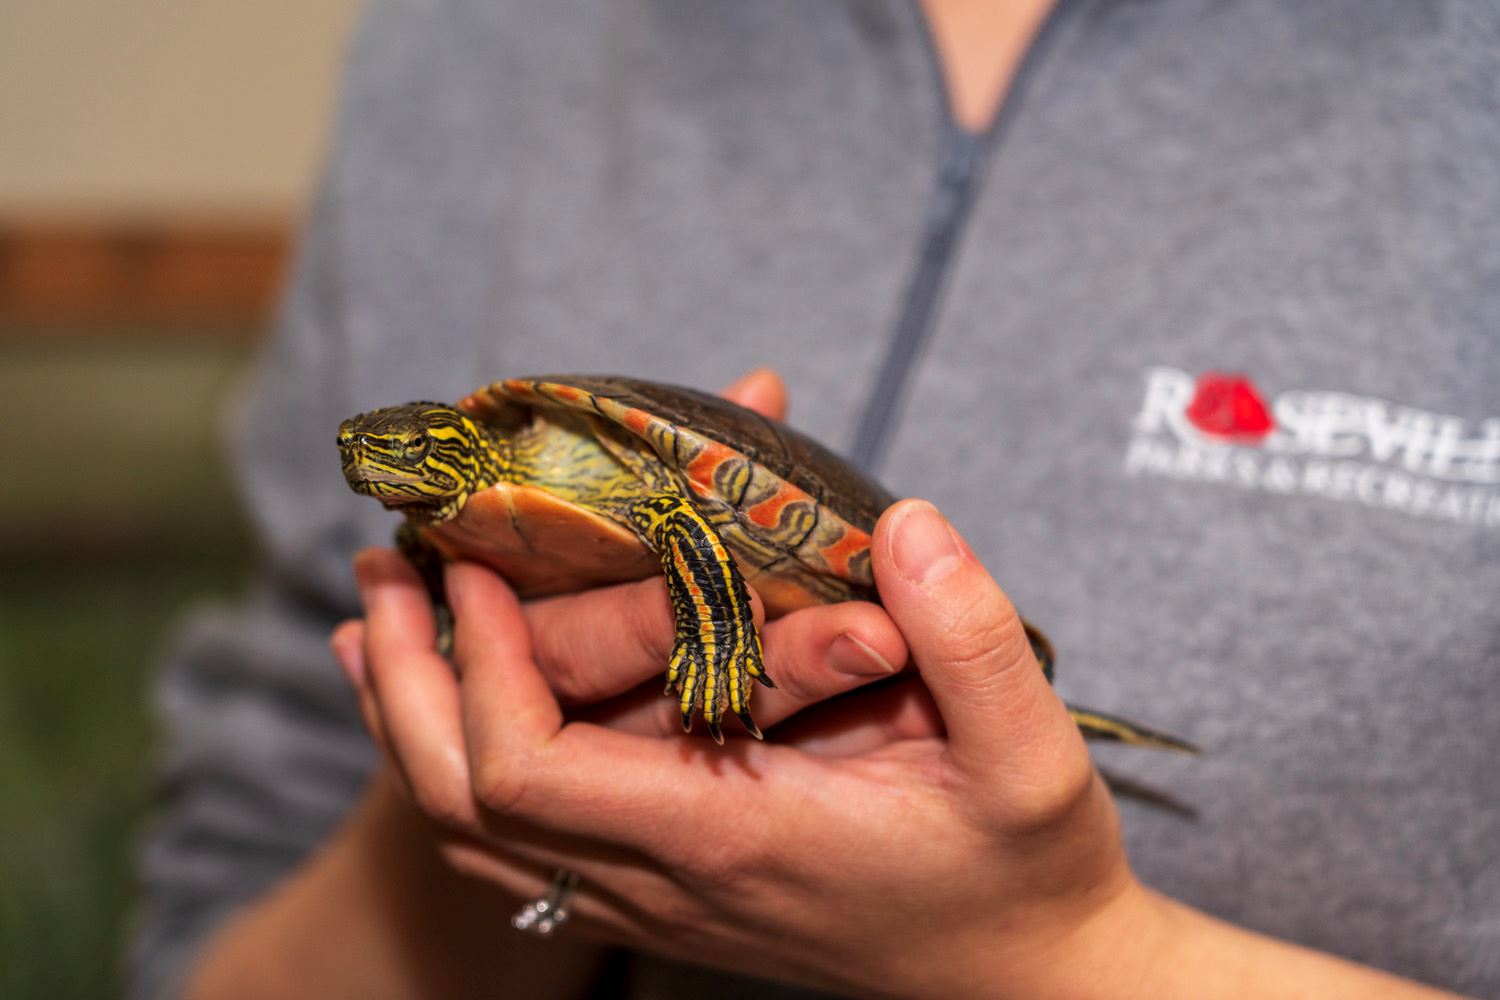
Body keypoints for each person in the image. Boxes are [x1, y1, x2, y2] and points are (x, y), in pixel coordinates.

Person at [131, 1, 1499, 997]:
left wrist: (1064, 957)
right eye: (388, 448)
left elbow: (687, 521)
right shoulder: (468, 49)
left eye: (412, 443)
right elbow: (220, 911)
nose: (388, 458)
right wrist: (497, 820)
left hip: (789, 534)